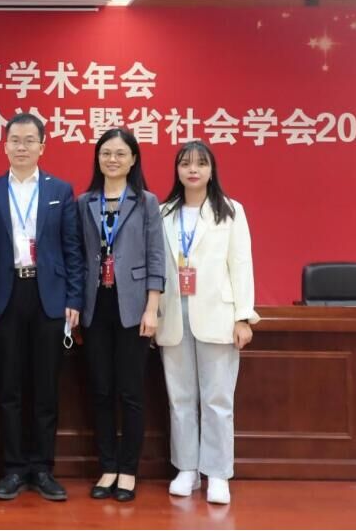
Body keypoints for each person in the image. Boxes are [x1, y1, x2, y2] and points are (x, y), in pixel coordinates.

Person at [0, 113, 83, 501]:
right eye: (15, 140)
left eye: (29, 140)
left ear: (42, 146)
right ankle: (13, 469)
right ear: (4, 146)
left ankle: (42, 468)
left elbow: (73, 249)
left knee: (45, 388)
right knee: (8, 388)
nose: (21, 147)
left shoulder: (60, 190)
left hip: (49, 296)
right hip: (6, 296)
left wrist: (74, 298)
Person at [156, 140, 258, 505]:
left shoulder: (230, 210)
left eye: (200, 163)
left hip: (217, 314)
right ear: (177, 170)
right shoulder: (164, 212)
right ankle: (186, 469)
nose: (193, 170)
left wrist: (243, 317)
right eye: (186, 163)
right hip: (174, 314)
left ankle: (217, 472)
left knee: (217, 398)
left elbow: (241, 265)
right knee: (180, 397)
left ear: (212, 170)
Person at [76, 127, 164, 503]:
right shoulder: (85, 202)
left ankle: (128, 470)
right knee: (100, 390)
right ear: (98, 159)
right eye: (106, 153)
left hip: (133, 307)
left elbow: (156, 257)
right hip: (95, 306)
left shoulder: (146, 202)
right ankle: (107, 466)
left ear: (133, 160)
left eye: (120, 154)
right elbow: (79, 256)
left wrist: (152, 308)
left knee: (130, 392)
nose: (112, 159)